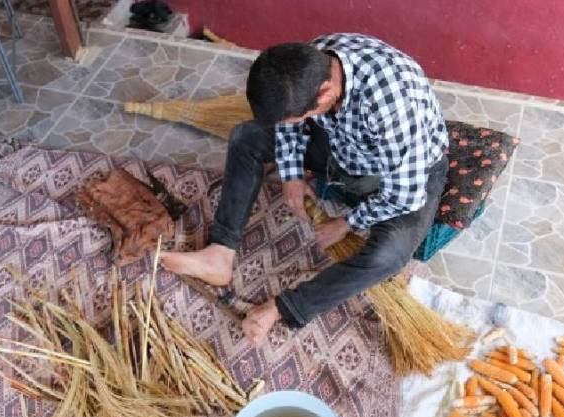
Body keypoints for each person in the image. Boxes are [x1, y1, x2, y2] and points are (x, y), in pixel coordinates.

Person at [162, 33, 448, 347]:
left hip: (401, 171)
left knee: (388, 256)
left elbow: (404, 195)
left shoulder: (393, 104)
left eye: (303, 115)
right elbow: (289, 124)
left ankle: (284, 308)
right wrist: (291, 175)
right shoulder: (309, 58)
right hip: (342, 147)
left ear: (326, 92)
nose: (296, 121)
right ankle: (220, 253)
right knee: (246, 137)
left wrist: (345, 224)